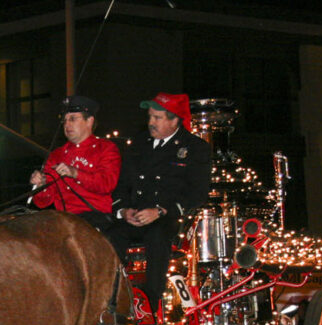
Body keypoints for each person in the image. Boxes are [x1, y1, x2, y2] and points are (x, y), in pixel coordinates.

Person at [107, 92, 211, 306]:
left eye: (157, 118)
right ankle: (111, 297)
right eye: (150, 117)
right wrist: (124, 210)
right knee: (110, 235)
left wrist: (161, 211)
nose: (151, 123)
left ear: (175, 120)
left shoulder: (194, 148)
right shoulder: (138, 143)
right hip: (134, 215)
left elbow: (197, 193)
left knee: (157, 236)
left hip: (168, 218)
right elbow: (121, 184)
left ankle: (151, 303)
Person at [29, 95, 120, 231]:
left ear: (89, 121)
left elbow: (106, 183)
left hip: (94, 218)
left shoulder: (106, 148)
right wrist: (40, 185)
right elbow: (42, 203)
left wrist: (76, 173)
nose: (67, 125)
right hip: (62, 219)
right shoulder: (56, 155)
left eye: (72, 119)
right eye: (64, 121)